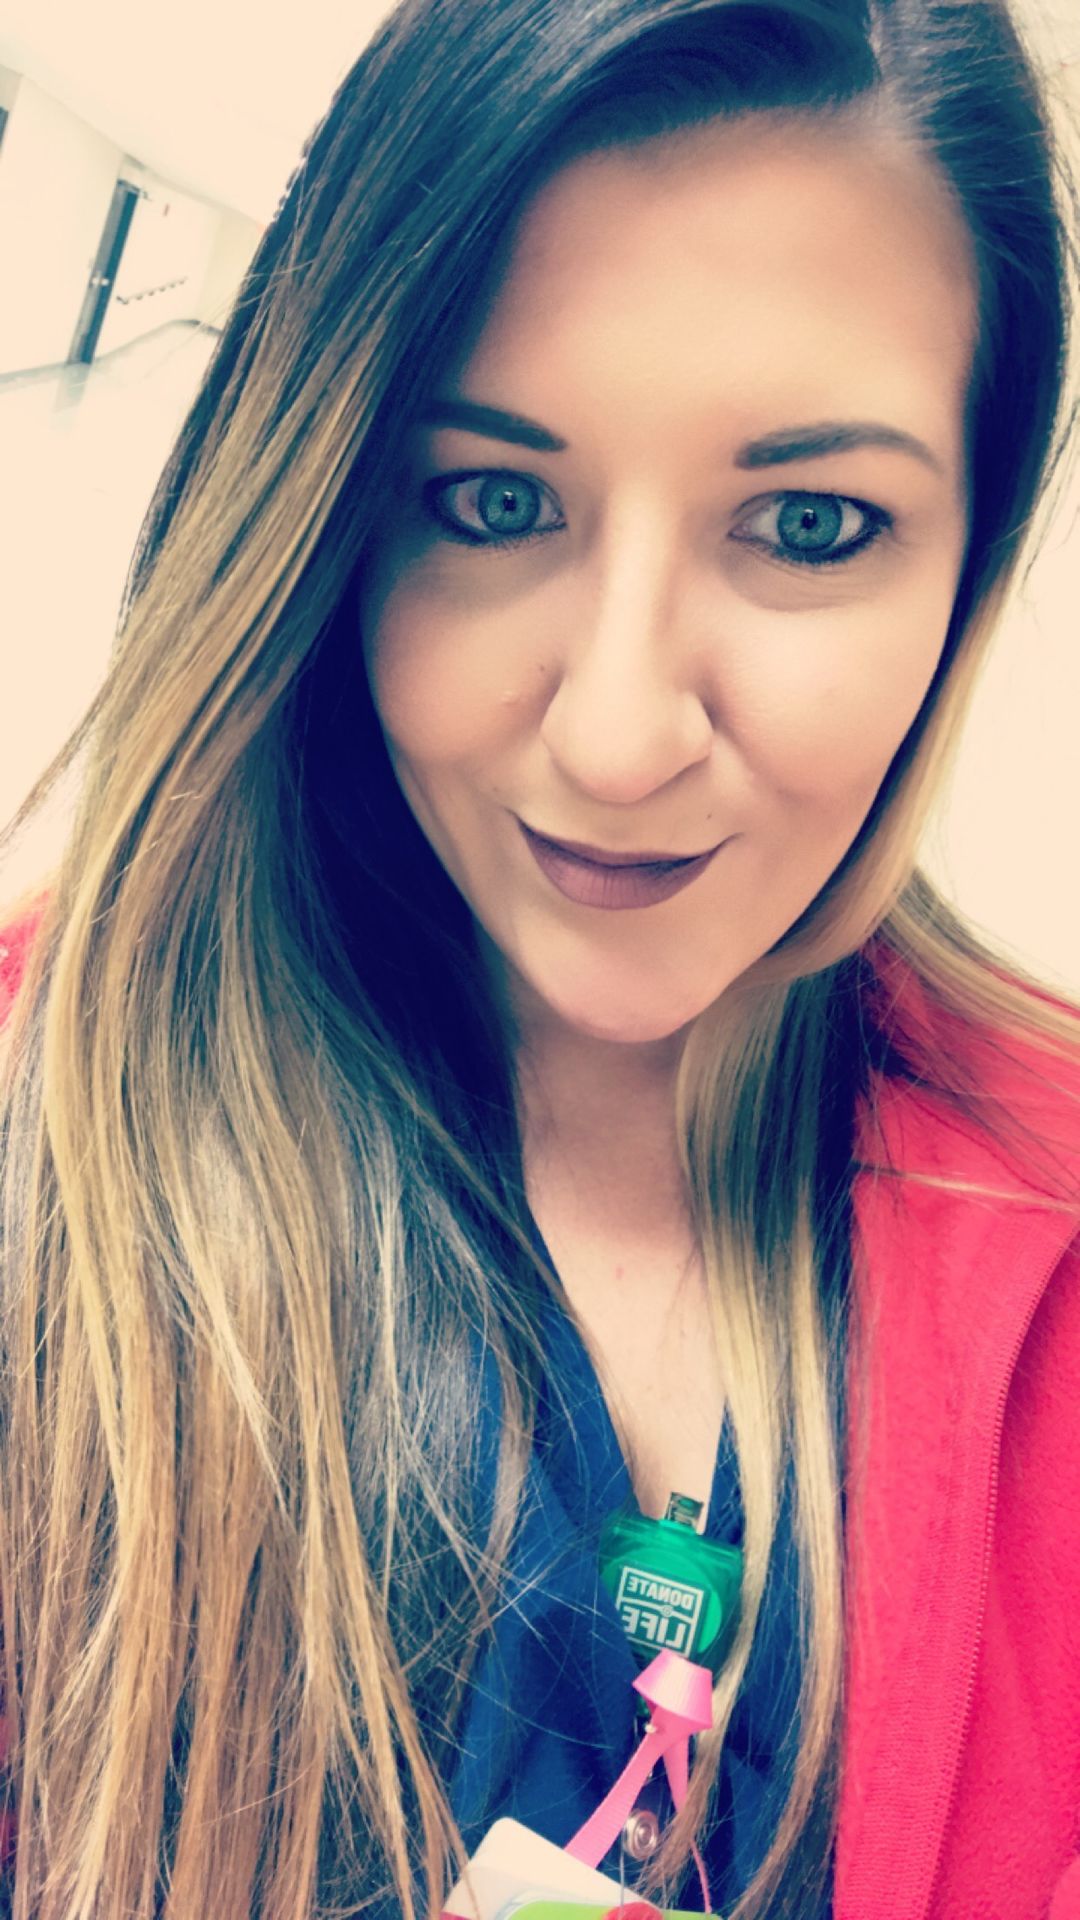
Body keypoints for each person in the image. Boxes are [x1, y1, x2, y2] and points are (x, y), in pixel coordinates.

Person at [1, 0, 1080, 1914]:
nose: (618, 736)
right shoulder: (39, 1128)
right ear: (329, 519)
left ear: (970, 564)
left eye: (809, 524)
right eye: (494, 503)